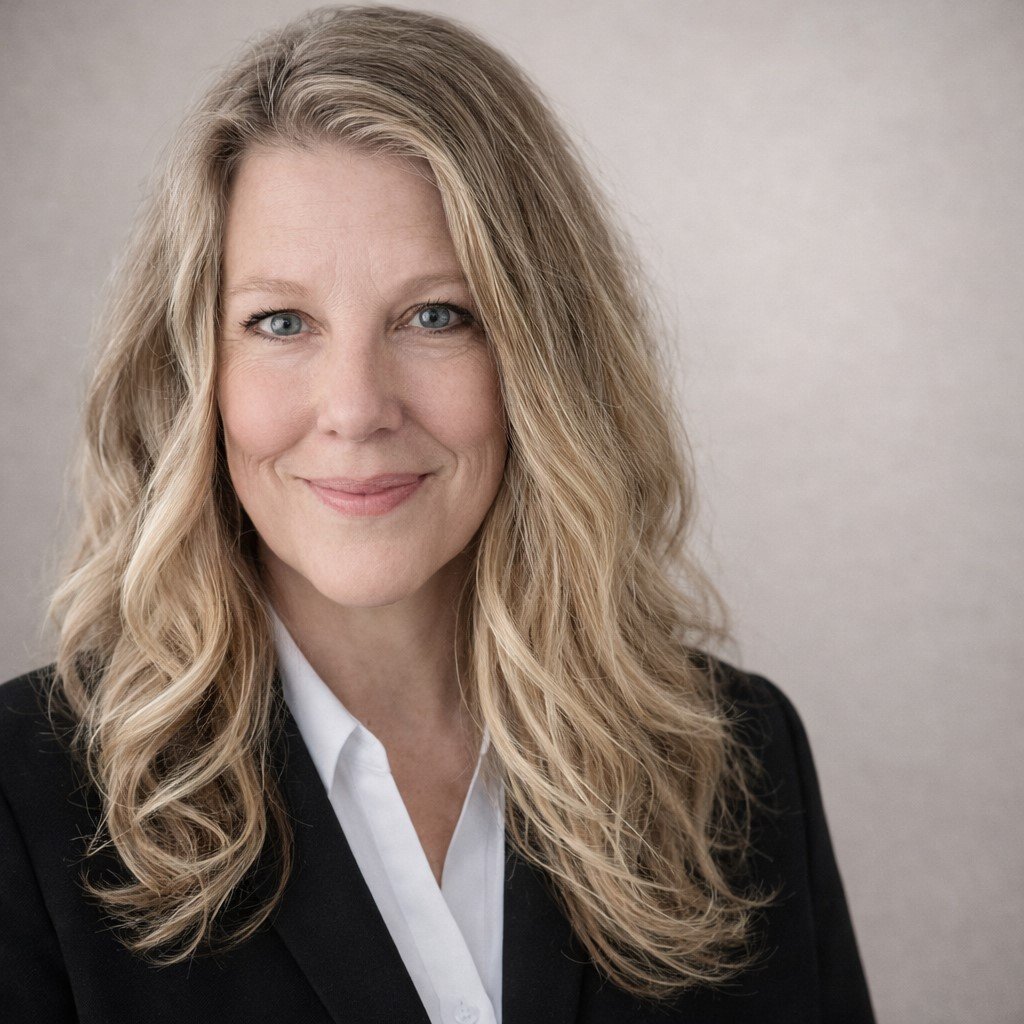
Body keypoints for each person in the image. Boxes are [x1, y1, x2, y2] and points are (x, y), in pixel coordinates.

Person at [0, 5, 875, 1022]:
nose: (356, 408)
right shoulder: (24, 803)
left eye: (435, 316)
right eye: (279, 321)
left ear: (543, 360)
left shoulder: (735, 760)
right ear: (190, 371)